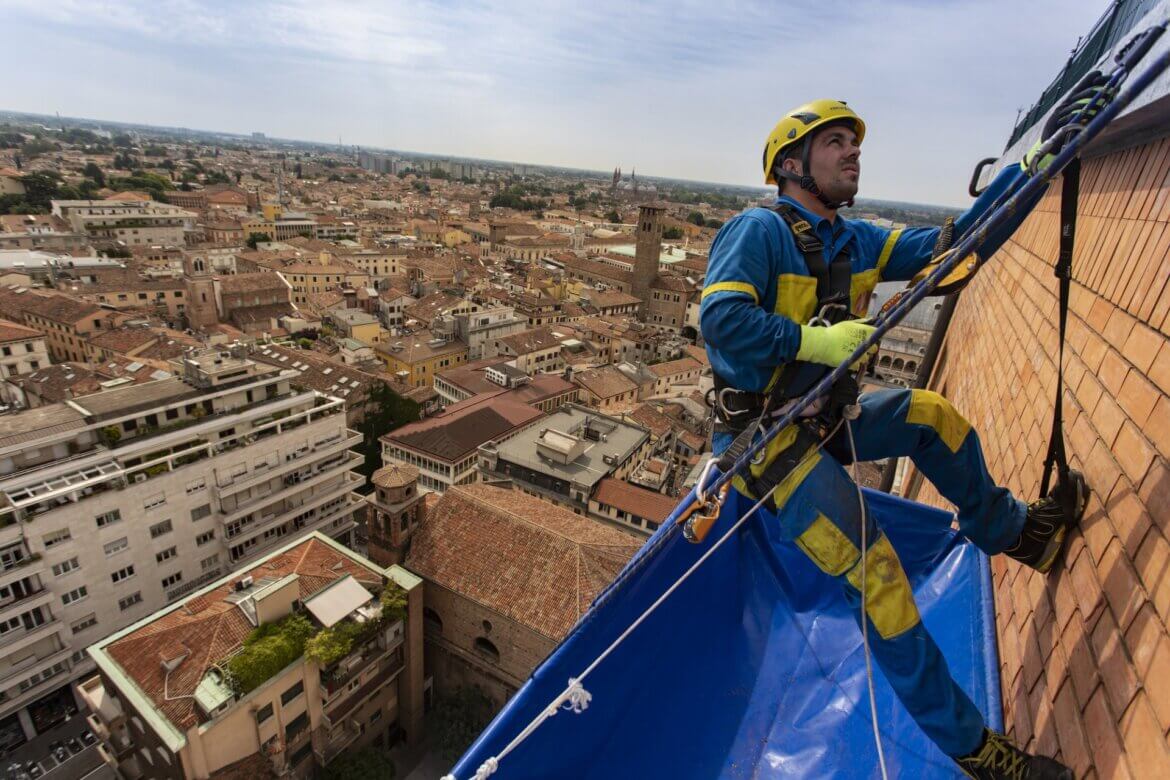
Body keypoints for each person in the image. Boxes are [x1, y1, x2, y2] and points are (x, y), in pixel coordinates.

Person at [700, 97, 1103, 779]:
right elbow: (722, 319)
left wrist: (1034, 168)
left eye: (854, 144)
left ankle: (1019, 535)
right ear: (794, 164)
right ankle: (979, 753)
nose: (853, 153)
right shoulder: (756, 232)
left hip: (824, 415)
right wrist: (814, 340)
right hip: (765, 444)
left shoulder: (855, 242)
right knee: (878, 574)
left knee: (930, 418)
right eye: (835, 143)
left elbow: (957, 247)